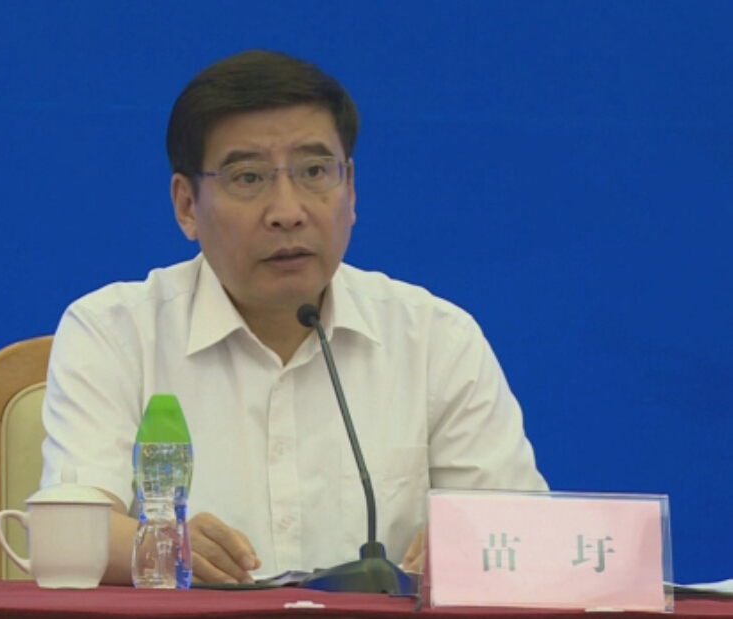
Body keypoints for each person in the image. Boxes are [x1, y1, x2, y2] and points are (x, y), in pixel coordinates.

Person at [40, 49, 548, 586]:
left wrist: (476, 545)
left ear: (350, 189)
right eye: (248, 177)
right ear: (187, 205)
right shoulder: (115, 333)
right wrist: (164, 544)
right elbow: (66, 536)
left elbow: (523, 535)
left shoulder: (435, 339)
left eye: (314, 172)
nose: (287, 211)